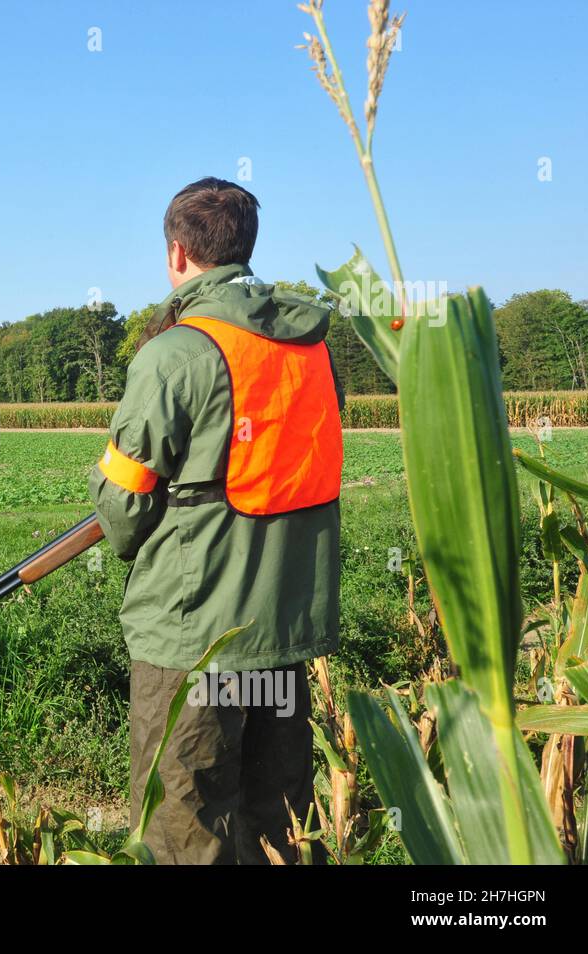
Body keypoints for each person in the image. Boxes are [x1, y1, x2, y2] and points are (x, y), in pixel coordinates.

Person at [90, 177, 344, 864]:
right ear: (246, 249)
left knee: (184, 827)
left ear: (178, 254)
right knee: (282, 822)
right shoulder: (312, 350)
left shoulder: (175, 354)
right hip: (285, 633)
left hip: (192, 640)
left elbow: (122, 514)